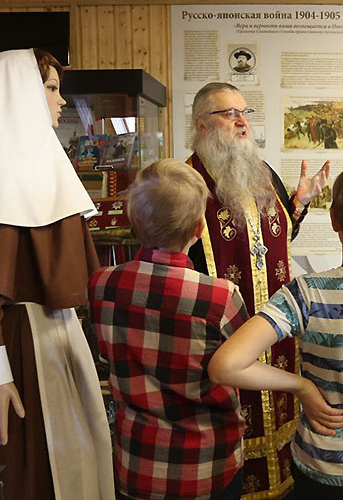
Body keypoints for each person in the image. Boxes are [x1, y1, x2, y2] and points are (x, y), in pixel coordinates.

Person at [0, 49, 114, 499]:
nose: (62, 101)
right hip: (20, 348)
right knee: (30, 468)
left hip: (53, 337)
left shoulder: (36, 161)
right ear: (19, 93)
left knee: (72, 458)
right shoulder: (0, 171)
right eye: (51, 88)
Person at [208, 158, 343, 500]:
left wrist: (302, 387)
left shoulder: (307, 294)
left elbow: (225, 365)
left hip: (325, 468)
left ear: (333, 220)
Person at [187, 82, 329, 498]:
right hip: (220, 334)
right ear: (201, 125)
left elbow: (271, 243)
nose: (242, 121)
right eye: (229, 114)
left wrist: (298, 204)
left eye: (244, 112)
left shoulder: (262, 172)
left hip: (275, 330)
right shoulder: (186, 181)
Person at [88, 159, 249, 499]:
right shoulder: (220, 298)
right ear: (198, 229)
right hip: (208, 464)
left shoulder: (102, 284)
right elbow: (243, 369)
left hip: (138, 463)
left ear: (133, 220)